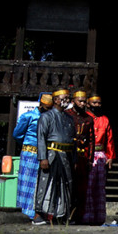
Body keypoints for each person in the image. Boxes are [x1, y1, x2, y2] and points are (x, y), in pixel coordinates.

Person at [33, 89, 75, 225]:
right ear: (56, 100)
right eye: (65, 98)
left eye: (68, 98)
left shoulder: (69, 118)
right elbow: (41, 138)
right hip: (51, 154)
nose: (67, 101)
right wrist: (42, 158)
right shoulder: (46, 117)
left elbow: (73, 140)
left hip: (66, 155)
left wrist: (74, 158)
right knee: (46, 184)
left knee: (65, 185)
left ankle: (61, 215)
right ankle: (39, 214)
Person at [13, 92, 52, 221]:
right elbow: (17, 134)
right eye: (46, 107)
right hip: (30, 153)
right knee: (26, 184)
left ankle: (39, 212)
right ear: (41, 105)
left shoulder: (49, 118)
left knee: (40, 183)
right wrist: (29, 145)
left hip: (44, 154)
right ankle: (25, 212)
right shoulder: (29, 116)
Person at [82, 93, 114, 226]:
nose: (97, 105)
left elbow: (110, 139)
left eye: (99, 103)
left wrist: (111, 156)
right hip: (87, 155)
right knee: (87, 187)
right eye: (94, 103)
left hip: (101, 155)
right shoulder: (85, 118)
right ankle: (85, 216)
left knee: (99, 187)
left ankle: (98, 217)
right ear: (88, 104)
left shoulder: (105, 119)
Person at [65, 90, 95, 223]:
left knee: (80, 188)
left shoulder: (88, 118)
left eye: (84, 101)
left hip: (82, 157)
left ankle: (78, 216)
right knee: (66, 186)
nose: (83, 104)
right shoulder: (66, 115)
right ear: (73, 102)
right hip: (68, 155)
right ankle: (63, 214)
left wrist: (90, 159)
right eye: (80, 101)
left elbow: (91, 140)